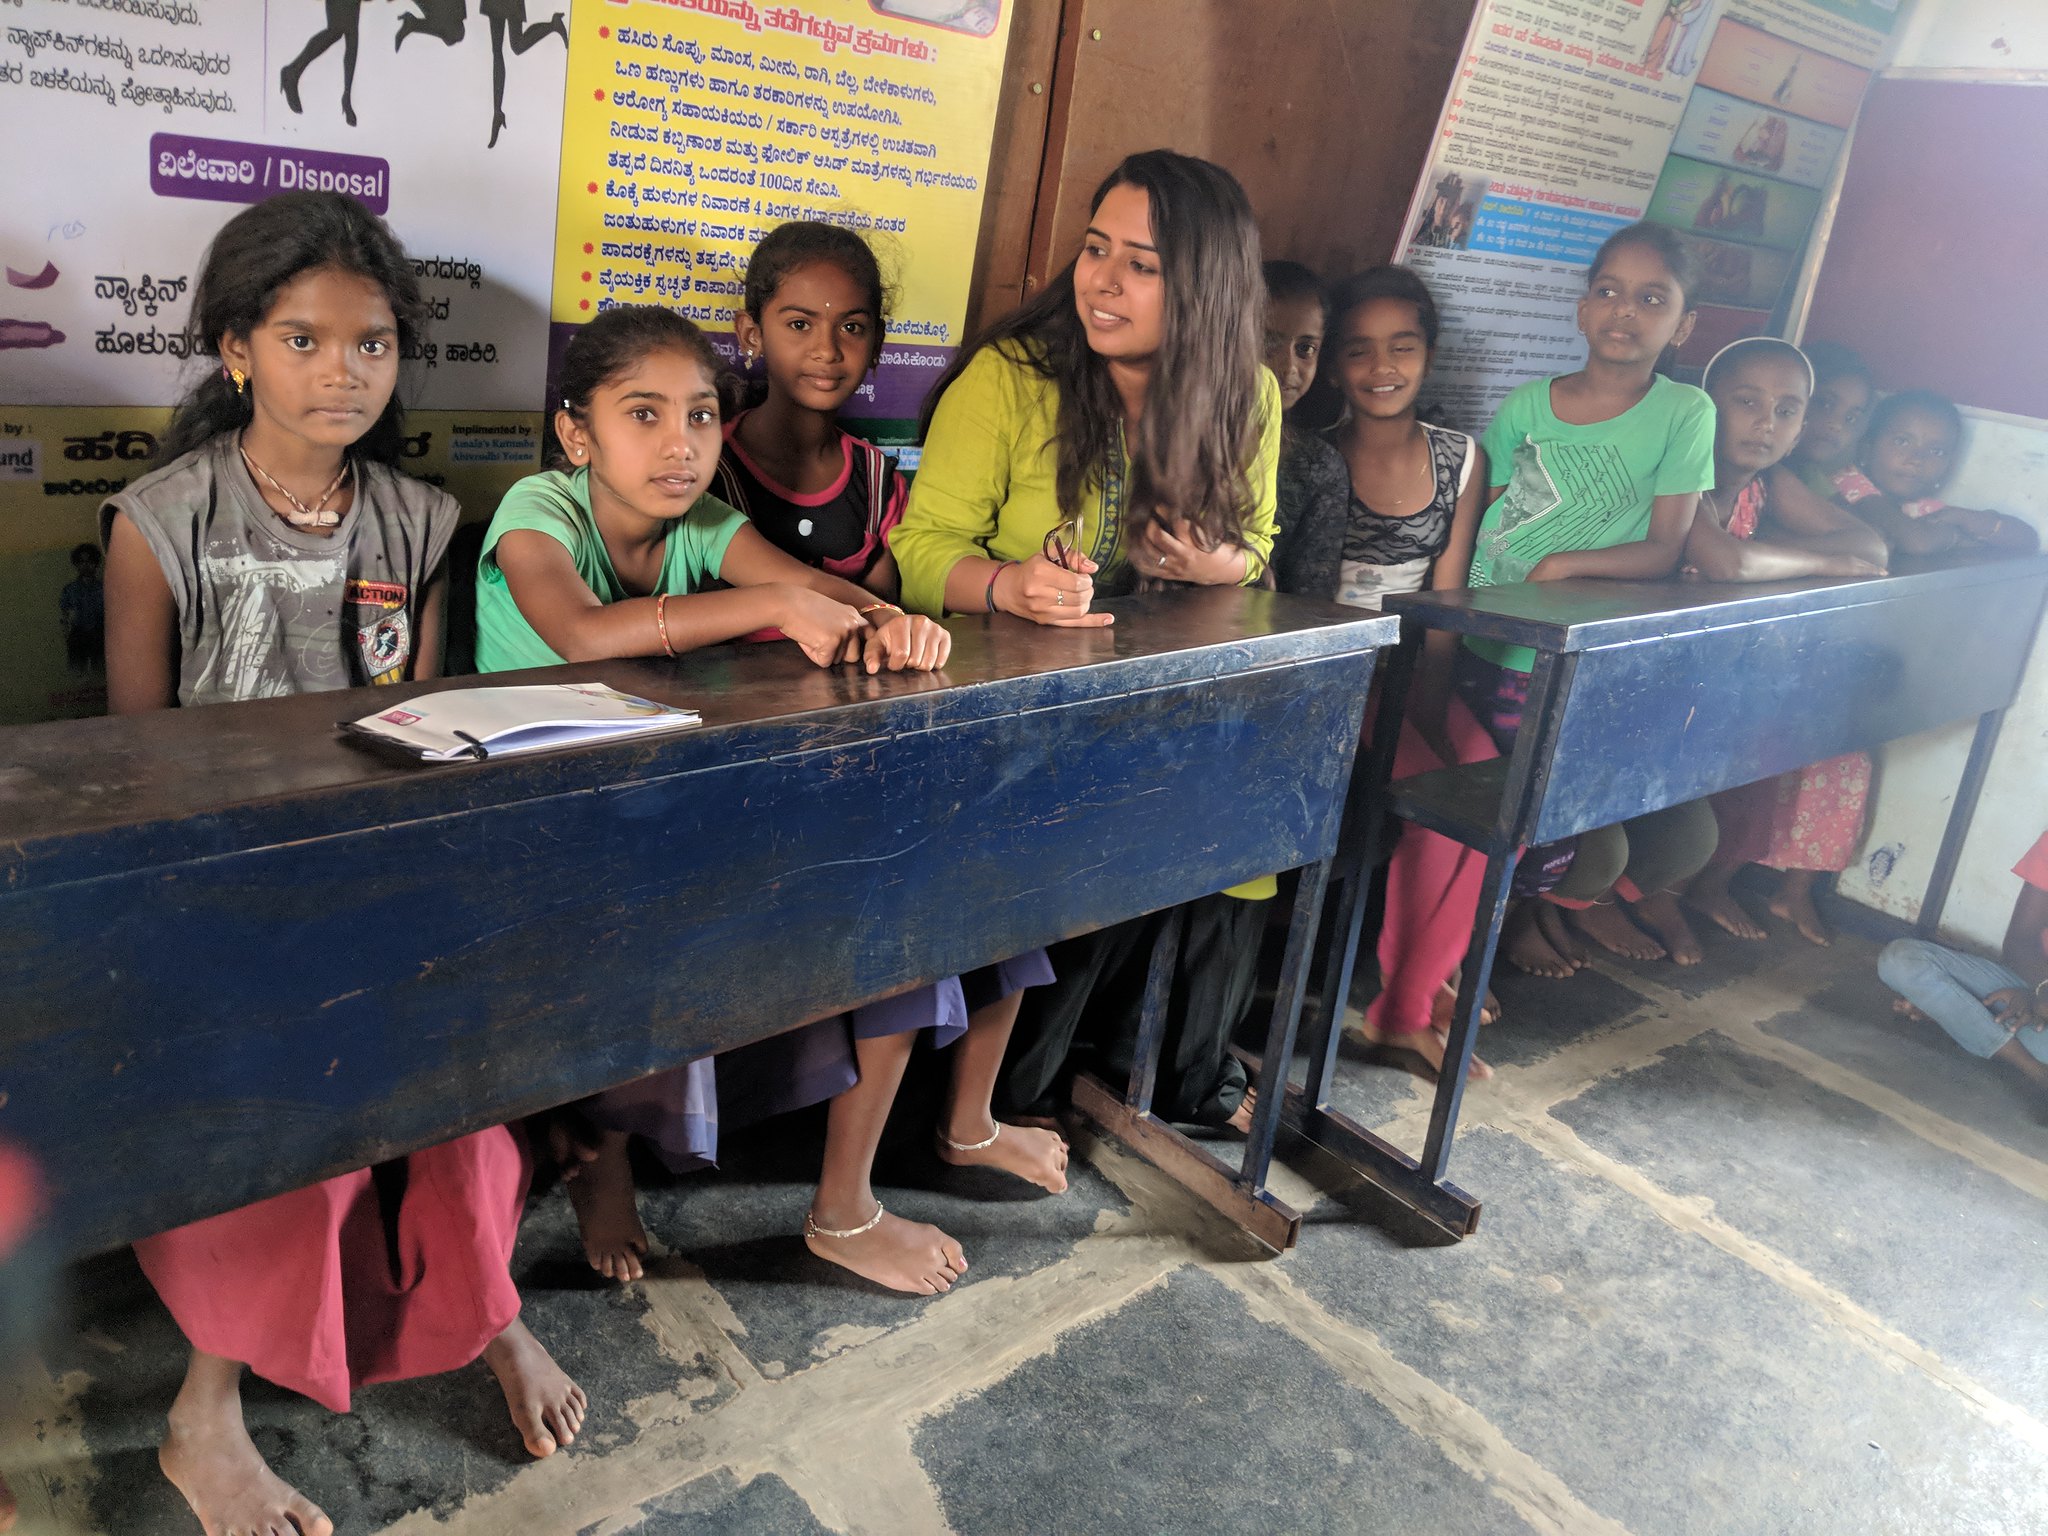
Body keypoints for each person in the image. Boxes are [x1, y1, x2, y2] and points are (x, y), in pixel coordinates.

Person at [99, 191, 584, 1536]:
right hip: (212, 898)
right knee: (293, 1122)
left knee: (468, 1086)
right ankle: (205, 1418)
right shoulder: (159, 521)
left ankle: (491, 1314)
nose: (343, 371)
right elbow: (139, 771)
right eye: (303, 339)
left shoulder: (420, 523)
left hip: (376, 888)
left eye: (370, 344)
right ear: (236, 348)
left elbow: (420, 741)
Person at [476, 303, 1067, 1296]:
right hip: (541, 831)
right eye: (644, 415)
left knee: (910, 887)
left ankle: (845, 1206)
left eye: (702, 416)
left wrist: (895, 620)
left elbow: (812, 589)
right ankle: (603, 1161)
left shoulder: (702, 523)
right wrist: (773, 607)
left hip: (667, 803)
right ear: (576, 432)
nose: (680, 444)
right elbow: (579, 632)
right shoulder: (539, 511)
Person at [893, 149, 1280, 1127]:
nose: (1099, 281)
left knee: (1248, 828)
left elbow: (1256, 545)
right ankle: (1000, 1098)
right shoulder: (1012, 380)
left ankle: (1177, 1074)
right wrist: (1009, 586)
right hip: (1012, 710)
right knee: (1086, 846)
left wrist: (1214, 564)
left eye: (1140, 264)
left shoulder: (1250, 396)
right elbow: (916, 552)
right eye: (1094, 248)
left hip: (1156, 699)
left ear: (1204, 286)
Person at [1461, 222, 1720, 976]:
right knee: (1487, 803)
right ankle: (1475, 940)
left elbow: (1667, 547)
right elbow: (1493, 520)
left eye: (1651, 298)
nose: (1623, 312)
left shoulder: (1684, 413)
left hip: (1571, 651)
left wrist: (1563, 565)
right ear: (1582, 308)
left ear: (1684, 324)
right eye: (1607, 291)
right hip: (1489, 635)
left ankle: (1524, 919)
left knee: (1553, 808)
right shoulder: (1525, 406)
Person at [1274, 265, 1501, 1077]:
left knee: (1485, 785)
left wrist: (1434, 703)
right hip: (1342, 675)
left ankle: (1426, 976)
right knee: (1439, 813)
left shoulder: (1459, 458)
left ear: (1429, 356)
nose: (1382, 368)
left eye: (1402, 347)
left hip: (1423, 668)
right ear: (1334, 366)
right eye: (1360, 351)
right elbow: (1309, 599)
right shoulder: (1316, 457)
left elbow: (1449, 589)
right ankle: (1400, 1015)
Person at [1673, 337, 1888, 948]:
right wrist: (1823, 562)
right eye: (1747, 402)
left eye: (1788, 410)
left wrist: (1794, 559)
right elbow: (1726, 562)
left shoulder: (1768, 481)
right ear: (1706, 405)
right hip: (1655, 664)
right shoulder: (1683, 466)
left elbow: (1871, 549)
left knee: (1786, 740)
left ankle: (1695, 886)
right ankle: (1604, 903)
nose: (1767, 424)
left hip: (1715, 664)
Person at [1879, 831, 2048, 1097]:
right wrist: (2039, 994)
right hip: (2032, 985)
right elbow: (2020, 941)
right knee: (1900, 960)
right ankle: (2032, 1069)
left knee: (2041, 1044)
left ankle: (1960, 1015)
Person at [1833, 390, 2038, 558]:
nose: (1917, 459)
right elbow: (1918, 542)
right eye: (1902, 441)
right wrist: (1955, 536)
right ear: (1867, 449)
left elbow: (2027, 540)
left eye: (1936, 451)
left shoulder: (1921, 509)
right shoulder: (1849, 487)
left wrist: (1965, 518)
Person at [1785, 341, 1874, 502]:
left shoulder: (1811, 477)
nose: (1837, 425)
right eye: (1825, 404)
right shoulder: (1765, 472)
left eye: (1850, 418)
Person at [58, 542, 105, 673]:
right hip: (78, 636)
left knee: (101, 671)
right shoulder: (69, 590)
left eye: (90, 561)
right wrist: (67, 635)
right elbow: (65, 615)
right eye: (81, 562)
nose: (85, 566)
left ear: (96, 564)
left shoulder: (104, 589)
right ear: (76, 564)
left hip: (99, 634)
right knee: (77, 672)